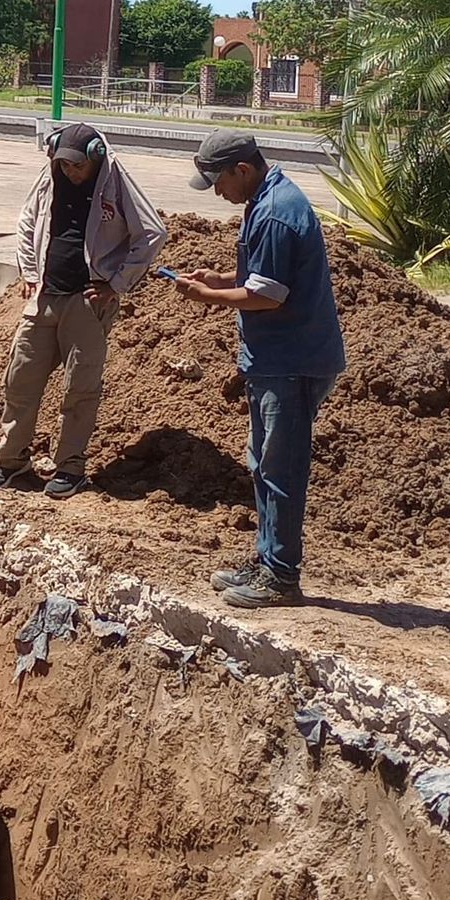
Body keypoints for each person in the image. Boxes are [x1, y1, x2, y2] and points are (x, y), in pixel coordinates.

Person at [173, 130, 345, 608]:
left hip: (291, 362)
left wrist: (209, 297)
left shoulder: (273, 212)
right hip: (275, 360)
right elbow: (266, 275)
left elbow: (268, 295)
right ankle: (269, 560)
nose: (219, 194)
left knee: (281, 470)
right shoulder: (267, 200)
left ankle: (282, 577)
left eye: (218, 184)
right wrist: (223, 278)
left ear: (242, 171)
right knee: (264, 464)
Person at [0, 122, 167, 499]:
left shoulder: (114, 180)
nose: (70, 172)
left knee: (79, 388)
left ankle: (70, 466)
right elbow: (26, 220)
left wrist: (116, 283)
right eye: (64, 165)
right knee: (20, 378)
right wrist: (31, 272)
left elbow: (152, 232)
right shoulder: (51, 175)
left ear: (95, 158)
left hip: (87, 303)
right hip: (45, 296)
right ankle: (12, 460)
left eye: (76, 166)